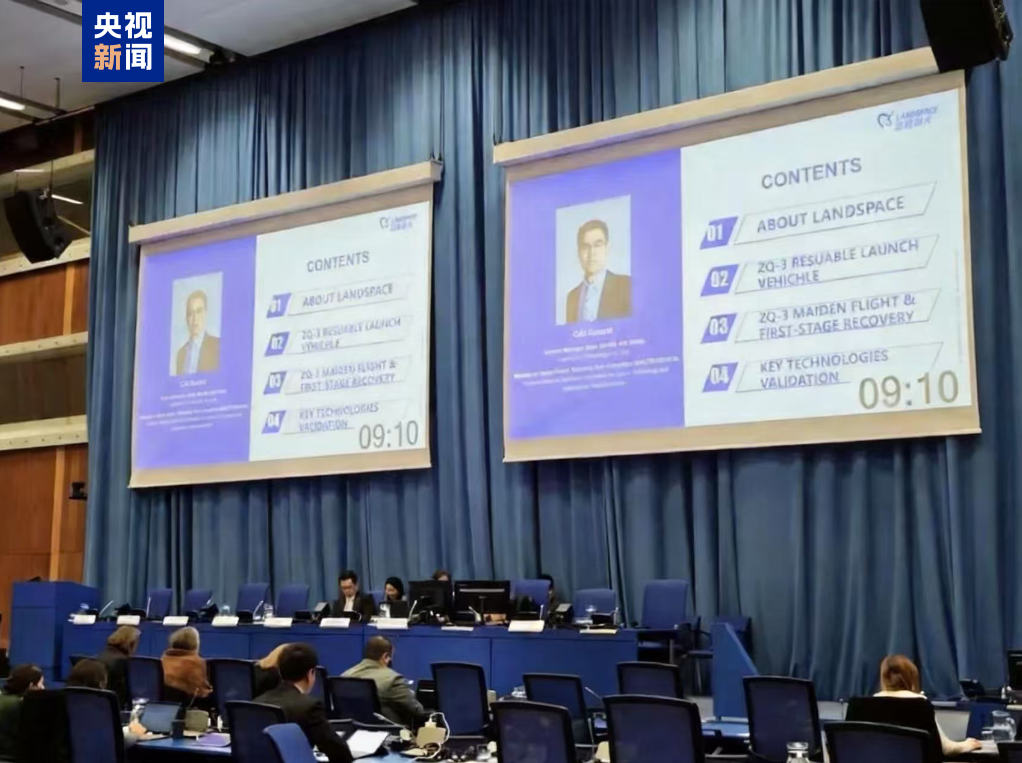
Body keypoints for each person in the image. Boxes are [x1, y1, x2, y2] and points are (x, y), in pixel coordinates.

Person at [254, 644, 352, 763]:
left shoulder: (257, 702)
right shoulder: (310, 707)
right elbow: (337, 751)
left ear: (280, 671)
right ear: (310, 673)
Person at [874, 654, 982, 754]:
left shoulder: (872, 702)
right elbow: (945, 748)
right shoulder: (919, 702)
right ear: (911, 677)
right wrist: (968, 744)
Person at [342, 636, 426, 728]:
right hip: (385, 732)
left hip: (351, 731)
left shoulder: (345, 675)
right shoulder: (393, 679)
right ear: (385, 656)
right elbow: (417, 711)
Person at [565, 219, 632, 323]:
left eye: (598, 245)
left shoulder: (626, 286)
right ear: (578, 252)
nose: (592, 253)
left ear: (607, 249)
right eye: (586, 246)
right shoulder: (572, 297)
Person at [0, 665, 44, 756]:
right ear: (31, 686)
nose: (43, 688)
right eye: (41, 683)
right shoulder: (20, 706)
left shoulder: (4, 699)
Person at [175, 289, 220, 375]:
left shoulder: (217, 345)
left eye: (199, 311)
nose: (195, 318)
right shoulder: (181, 354)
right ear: (186, 319)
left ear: (206, 314)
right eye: (191, 313)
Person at [160, 627, 213, 700]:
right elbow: (200, 692)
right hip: (187, 703)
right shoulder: (196, 662)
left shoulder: (164, 659)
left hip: (162, 702)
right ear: (195, 644)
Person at [96, 624, 140, 708]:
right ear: (131, 643)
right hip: (115, 707)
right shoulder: (122, 661)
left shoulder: (102, 655)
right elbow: (125, 692)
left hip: (100, 703)